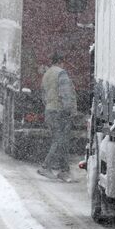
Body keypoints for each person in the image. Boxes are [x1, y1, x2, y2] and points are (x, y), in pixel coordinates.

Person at [37, 52, 77, 182]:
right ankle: (45, 166)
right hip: (60, 112)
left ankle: (64, 171)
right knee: (60, 140)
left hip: (50, 110)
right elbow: (65, 94)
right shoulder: (61, 73)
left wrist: (49, 105)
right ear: (61, 61)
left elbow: (43, 95)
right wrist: (69, 110)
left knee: (61, 140)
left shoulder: (46, 74)